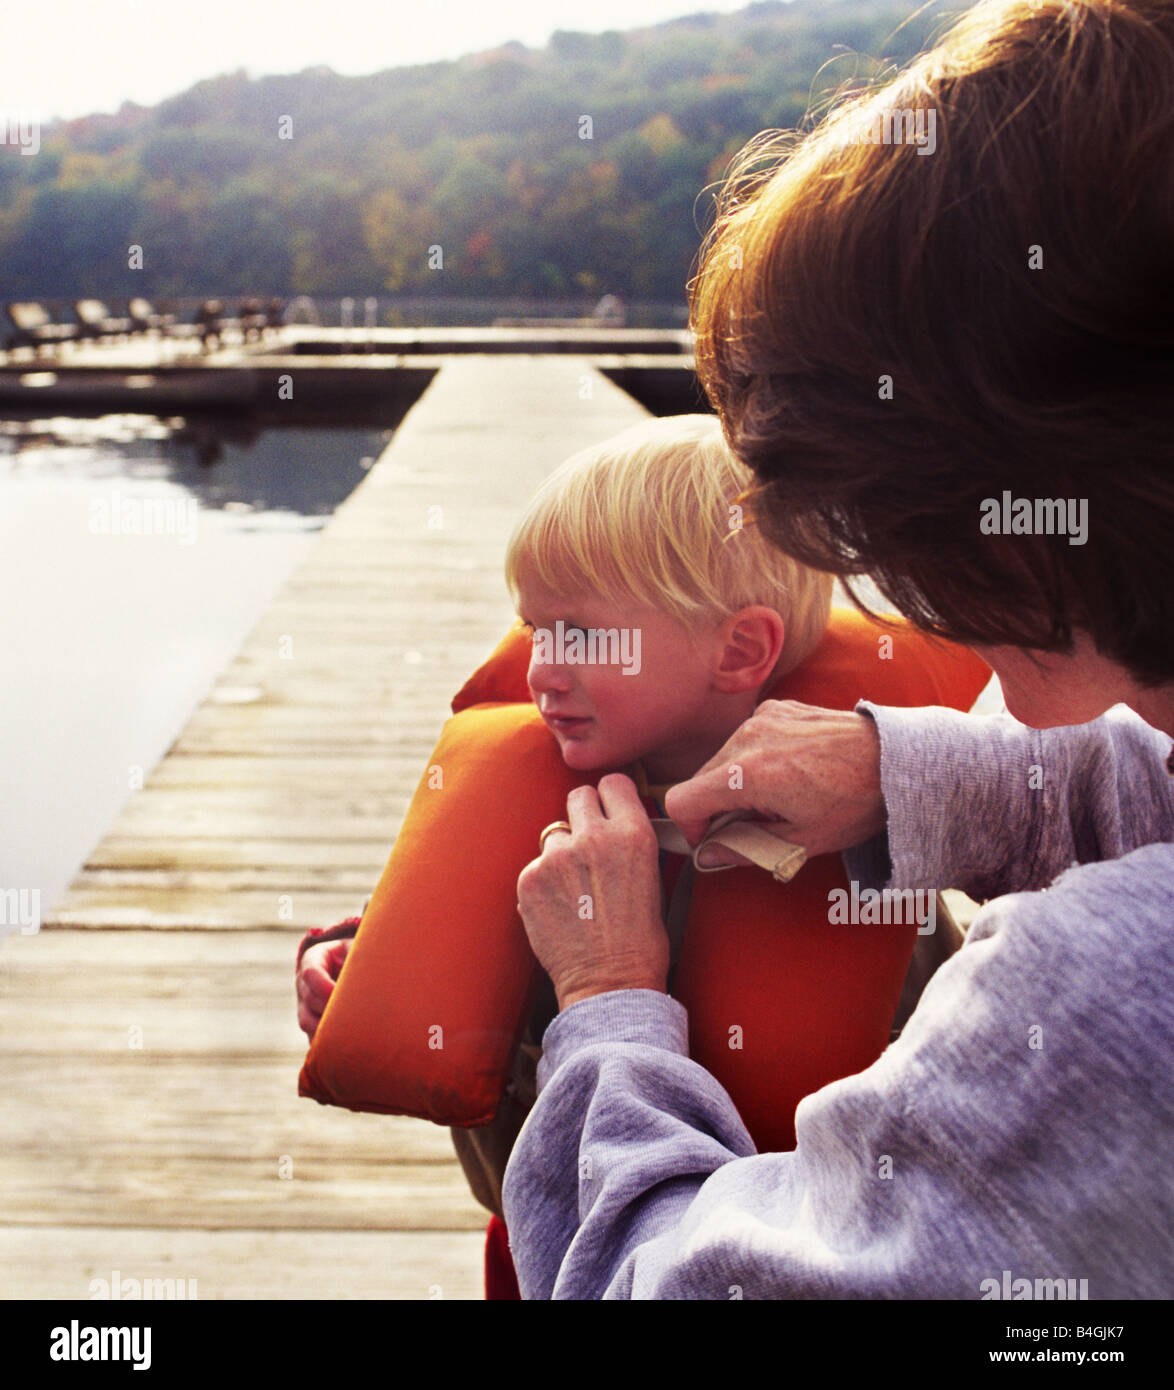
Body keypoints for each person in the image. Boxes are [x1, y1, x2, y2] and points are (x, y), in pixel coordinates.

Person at [498, 0, 1174, 1298]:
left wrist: (606, 1005)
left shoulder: (1106, 1000)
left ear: (1023, 529)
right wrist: (907, 775)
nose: (914, 609)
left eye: (890, 541)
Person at [295, 413, 987, 1297]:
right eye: (533, 630)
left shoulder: (861, 861)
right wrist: (358, 956)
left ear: (739, 650)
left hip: (756, 1255)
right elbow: (459, 935)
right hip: (541, 1245)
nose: (541, 670)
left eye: (580, 636)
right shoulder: (542, 797)